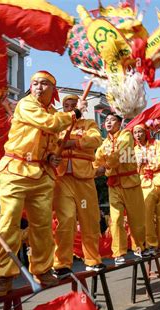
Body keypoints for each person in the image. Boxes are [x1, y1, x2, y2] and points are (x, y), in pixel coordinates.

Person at [0, 71, 81, 297]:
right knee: (9, 222)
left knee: (42, 227)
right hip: (15, 171)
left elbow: (49, 140)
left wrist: (51, 156)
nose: (38, 88)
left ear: (53, 90)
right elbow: (49, 124)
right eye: (35, 83)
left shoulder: (51, 111)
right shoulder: (26, 105)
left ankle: (43, 270)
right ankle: (3, 276)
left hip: (41, 174)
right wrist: (73, 114)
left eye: (44, 84)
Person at [52, 94, 106, 277]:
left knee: (89, 219)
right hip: (61, 178)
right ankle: (62, 263)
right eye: (66, 105)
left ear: (81, 106)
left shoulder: (89, 124)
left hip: (84, 177)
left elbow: (96, 140)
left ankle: (92, 260)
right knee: (65, 220)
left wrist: (73, 143)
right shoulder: (58, 125)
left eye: (73, 104)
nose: (69, 107)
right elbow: (49, 145)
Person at [94, 112, 147, 265]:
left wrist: (104, 165)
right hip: (114, 185)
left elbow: (117, 156)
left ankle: (141, 247)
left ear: (119, 123)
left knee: (136, 220)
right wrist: (92, 171)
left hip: (130, 183)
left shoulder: (126, 136)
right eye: (106, 120)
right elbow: (98, 159)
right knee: (115, 220)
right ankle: (119, 253)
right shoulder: (104, 143)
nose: (108, 122)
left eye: (112, 120)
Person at [133, 123, 160, 255]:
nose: (138, 135)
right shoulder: (133, 150)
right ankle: (151, 244)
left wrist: (148, 161)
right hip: (144, 183)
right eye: (135, 132)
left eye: (140, 132)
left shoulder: (156, 143)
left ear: (145, 132)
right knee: (147, 216)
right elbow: (132, 169)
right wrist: (138, 163)